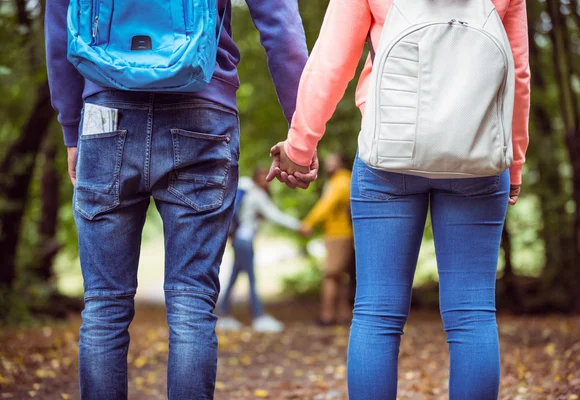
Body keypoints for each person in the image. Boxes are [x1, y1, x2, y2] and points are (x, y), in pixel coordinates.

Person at [268, 0, 530, 399]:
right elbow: (517, 71)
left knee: (376, 315)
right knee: (472, 315)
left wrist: (300, 146)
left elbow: (334, 58)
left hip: (389, 153)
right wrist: (513, 159)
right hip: (478, 157)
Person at [45, 0, 308, 398]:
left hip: (106, 110)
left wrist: (70, 126)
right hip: (203, 110)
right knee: (191, 302)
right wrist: (301, 127)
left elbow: (59, 21)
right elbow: (279, 20)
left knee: (103, 307)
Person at [218, 167, 301, 333]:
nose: (265, 180)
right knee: (252, 279)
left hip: (239, 241)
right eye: (262, 177)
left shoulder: (249, 194)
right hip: (244, 242)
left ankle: (222, 314)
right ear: (256, 179)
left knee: (234, 277)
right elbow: (275, 215)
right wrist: (299, 226)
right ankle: (258, 316)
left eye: (266, 177)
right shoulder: (257, 195)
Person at [299, 153, 354, 326]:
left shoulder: (341, 181)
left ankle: (327, 316)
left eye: (333, 162)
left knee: (330, 275)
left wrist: (309, 222)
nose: (329, 165)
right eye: (327, 162)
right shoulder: (342, 180)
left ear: (341, 163)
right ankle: (343, 315)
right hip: (340, 234)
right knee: (339, 276)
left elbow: (327, 204)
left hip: (339, 235)